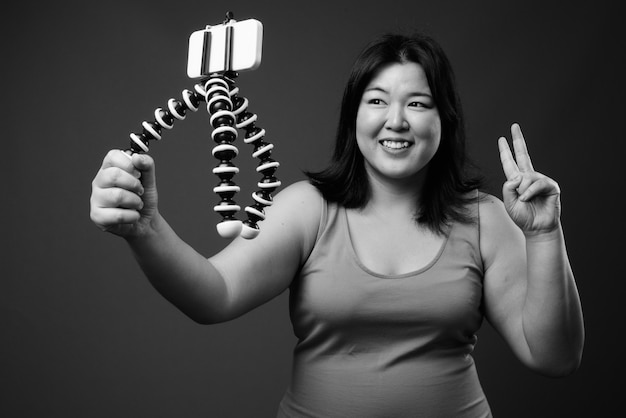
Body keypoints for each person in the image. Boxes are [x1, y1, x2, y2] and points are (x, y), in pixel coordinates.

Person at [90, 33, 584, 417]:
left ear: (444, 119)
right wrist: (145, 227)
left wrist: (544, 234)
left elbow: (554, 358)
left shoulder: (485, 217)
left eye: (418, 102)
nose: (396, 120)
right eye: (376, 100)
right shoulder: (309, 208)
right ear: (353, 116)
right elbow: (213, 294)